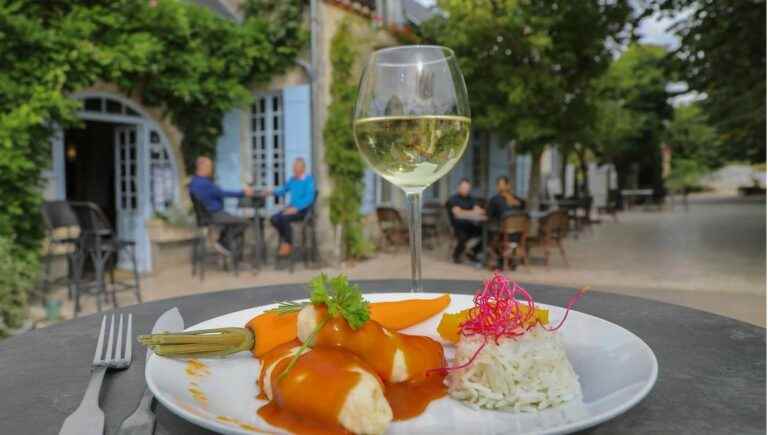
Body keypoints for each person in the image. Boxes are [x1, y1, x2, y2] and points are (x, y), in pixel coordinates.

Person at [188, 156, 253, 256]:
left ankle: (226, 247)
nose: (211, 169)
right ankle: (223, 243)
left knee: (230, 223)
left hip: (205, 216)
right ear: (202, 167)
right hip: (214, 214)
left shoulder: (194, 182)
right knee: (244, 222)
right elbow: (222, 193)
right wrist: (243, 193)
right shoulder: (205, 183)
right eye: (209, 166)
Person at [265, 158, 316, 256]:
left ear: (302, 169)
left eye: (296, 168)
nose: (294, 170)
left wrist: (296, 208)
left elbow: (309, 198)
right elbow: (283, 190)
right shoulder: (292, 180)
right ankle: (286, 239)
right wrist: (271, 192)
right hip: (292, 207)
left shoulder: (308, 180)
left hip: (302, 210)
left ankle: (288, 243)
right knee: (274, 219)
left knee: (284, 218)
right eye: (293, 168)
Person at [487, 176, 527, 269]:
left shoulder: (495, 199)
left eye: (500, 185)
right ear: (508, 186)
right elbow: (523, 209)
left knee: (490, 235)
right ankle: (510, 259)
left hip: (504, 233)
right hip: (520, 234)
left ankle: (499, 260)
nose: (499, 187)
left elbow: (489, 215)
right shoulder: (518, 200)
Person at [446, 178, 485, 264]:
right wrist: (472, 212)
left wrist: (464, 212)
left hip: (470, 224)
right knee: (463, 236)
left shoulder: (471, 198)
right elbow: (457, 213)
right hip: (457, 226)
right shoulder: (453, 199)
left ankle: (473, 252)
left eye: (467, 188)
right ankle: (456, 255)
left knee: (486, 233)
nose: (465, 190)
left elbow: (479, 211)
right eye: (463, 188)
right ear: (459, 187)